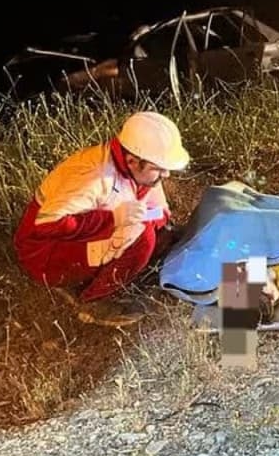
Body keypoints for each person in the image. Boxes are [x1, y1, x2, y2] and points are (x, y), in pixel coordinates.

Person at [12, 111, 189, 327]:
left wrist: (156, 222)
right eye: (159, 169)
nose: (166, 175)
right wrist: (113, 218)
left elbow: (158, 209)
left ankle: (119, 270)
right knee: (140, 236)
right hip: (44, 253)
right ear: (132, 161)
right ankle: (94, 300)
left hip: (74, 237)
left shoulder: (136, 168)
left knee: (160, 229)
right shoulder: (94, 178)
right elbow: (46, 225)